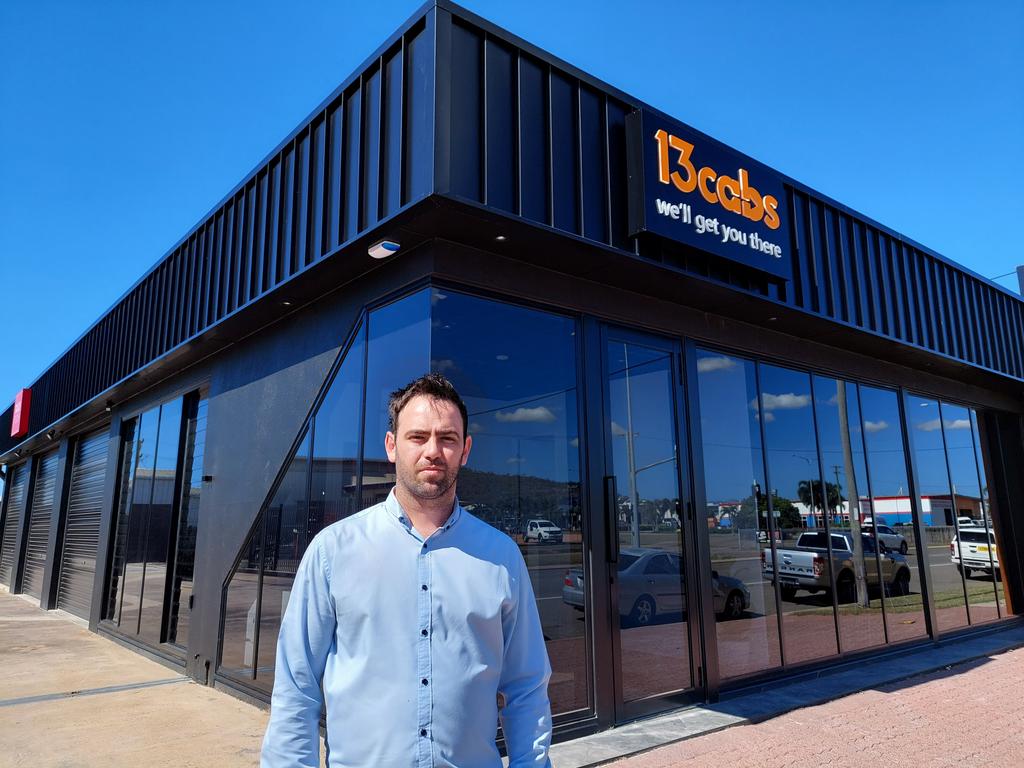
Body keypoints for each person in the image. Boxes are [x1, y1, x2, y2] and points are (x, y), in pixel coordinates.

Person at [261, 373, 553, 768]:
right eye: (417, 437)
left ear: (465, 450)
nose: (433, 450)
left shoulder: (501, 557)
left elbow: (527, 686)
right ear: (391, 446)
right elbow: (297, 688)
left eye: (447, 438)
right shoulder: (333, 551)